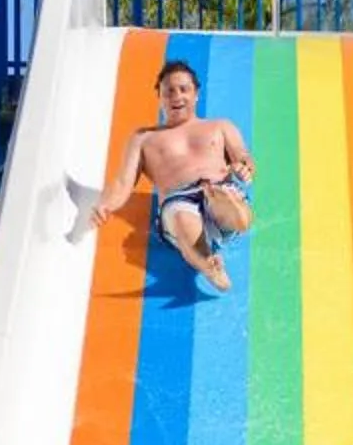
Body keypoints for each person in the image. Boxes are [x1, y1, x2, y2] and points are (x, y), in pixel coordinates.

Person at [86, 57, 254, 292]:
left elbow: (242, 154)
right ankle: (209, 265)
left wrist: (244, 167)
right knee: (182, 218)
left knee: (224, 197)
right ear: (160, 98)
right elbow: (123, 183)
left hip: (217, 188)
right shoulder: (144, 138)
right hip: (179, 199)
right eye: (169, 91)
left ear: (196, 93)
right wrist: (104, 205)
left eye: (184, 89)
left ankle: (235, 215)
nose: (177, 96)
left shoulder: (220, 126)